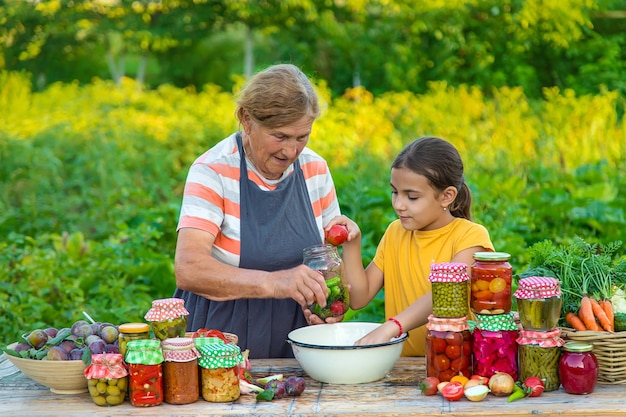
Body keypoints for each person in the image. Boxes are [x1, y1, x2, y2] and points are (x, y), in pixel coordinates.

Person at [173, 64, 342, 359]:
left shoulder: (315, 169)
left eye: (302, 137)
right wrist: (274, 282)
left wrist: (325, 304)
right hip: (220, 343)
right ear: (247, 120)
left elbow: (327, 261)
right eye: (280, 136)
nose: (291, 151)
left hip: (296, 344)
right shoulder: (213, 170)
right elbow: (189, 269)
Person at [330, 136, 494, 356]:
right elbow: (359, 298)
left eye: (412, 197)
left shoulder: (471, 237)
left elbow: (446, 293)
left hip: (458, 366)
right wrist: (352, 244)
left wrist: (393, 326)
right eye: (395, 192)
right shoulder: (395, 233)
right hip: (404, 368)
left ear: (447, 196)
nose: (399, 205)